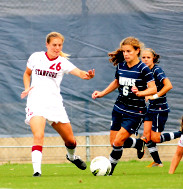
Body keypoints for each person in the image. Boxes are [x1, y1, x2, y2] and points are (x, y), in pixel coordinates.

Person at [21, 32, 95, 177]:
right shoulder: (36, 57)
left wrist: (87, 75)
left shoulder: (62, 62)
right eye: (54, 45)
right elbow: (27, 74)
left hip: (54, 104)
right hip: (36, 101)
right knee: (39, 135)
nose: (57, 47)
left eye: (59, 45)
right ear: (47, 44)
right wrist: (26, 88)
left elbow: (80, 73)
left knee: (70, 140)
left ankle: (72, 157)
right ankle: (37, 171)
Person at [92, 37, 157, 175]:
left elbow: (153, 89)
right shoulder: (121, 65)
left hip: (135, 112)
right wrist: (102, 93)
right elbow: (116, 82)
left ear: (137, 51)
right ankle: (138, 143)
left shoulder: (143, 68)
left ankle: (108, 171)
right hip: (119, 108)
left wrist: (140, 93)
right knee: (114, 142)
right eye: (124, 51)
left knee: (118, 142)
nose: (126, 54)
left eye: (129, 51)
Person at [123, 48, 181, 167]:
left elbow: (169, 86)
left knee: (155, 138)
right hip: (150, 108)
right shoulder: (143, 71)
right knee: (146, 136)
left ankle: (181, 133)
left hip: (160, 108)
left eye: (148, 57)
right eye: (143, 57)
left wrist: (154, 96)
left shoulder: (157, 70)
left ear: (153, 58)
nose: (145, 60)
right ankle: (157, 162)